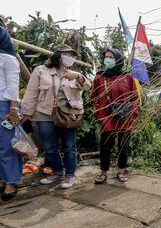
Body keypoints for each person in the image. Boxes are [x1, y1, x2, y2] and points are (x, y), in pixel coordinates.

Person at [21, 44, 90, 189]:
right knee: (49, 147)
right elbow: (31, 93)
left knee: (69, 146)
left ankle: (69, 174)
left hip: (68, 115)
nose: (70, 58)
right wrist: (26, 114)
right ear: (58, 55)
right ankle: (57, 171)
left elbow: (87, 86)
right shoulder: (41, 71)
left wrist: (77, 76)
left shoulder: (74, 74)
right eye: (67, 54)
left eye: (72, 55)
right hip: (44, 114)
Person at [90, 49, 140, 184]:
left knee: (124, 145)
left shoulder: (128, 77)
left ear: (118, 59)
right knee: (105, 145)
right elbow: (94, 98)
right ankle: (103, 172)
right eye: (106, 57)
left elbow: (135, 98)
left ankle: (121, 170)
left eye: (111, 57)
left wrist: (132, 113)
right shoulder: (100, 77)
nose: (108, 59)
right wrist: (99, 112)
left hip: (125, 117)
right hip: (106, 118)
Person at [0, 27, 22, 201]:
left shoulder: (8, 59)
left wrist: (13, 109)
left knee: (7, 145)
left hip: (5, 106)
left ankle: (11, 182)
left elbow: (13, 86)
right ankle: (3, 178)